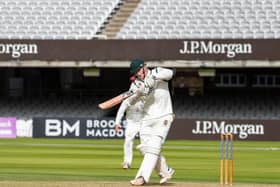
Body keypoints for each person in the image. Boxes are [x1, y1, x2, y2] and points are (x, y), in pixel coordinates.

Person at [126, 59, 175, 186]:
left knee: (153, 146)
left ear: (145, 67)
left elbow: (171, 73)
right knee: (145, 148)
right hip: (147, 119)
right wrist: (134, 95)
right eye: (135, 73)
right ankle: (165, 170)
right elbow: (130, 101)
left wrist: (153, 76)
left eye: (139, 71)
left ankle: (142, 177)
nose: (138, 74)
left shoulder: (157, 71)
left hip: (163, 116)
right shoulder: (136, 84)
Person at [114, 78, 145, 169]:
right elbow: (121, 111)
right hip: (131, 122)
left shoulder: (145, 98)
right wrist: (117, 123)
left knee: (145, 144)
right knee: (128, 141)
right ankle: (127, 162)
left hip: (143, 122)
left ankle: (148, 164)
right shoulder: (127, 100)